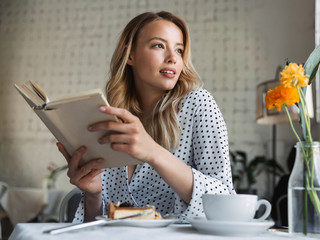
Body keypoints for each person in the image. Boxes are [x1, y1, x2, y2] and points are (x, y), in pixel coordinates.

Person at [57, 11, 235, 223]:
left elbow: (226, 202)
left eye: (179, 50)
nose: (172, 58)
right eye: (159, 45)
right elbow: (96, 227)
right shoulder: (109, 120)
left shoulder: (198, 104)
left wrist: (154, 153)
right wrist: (93, 194)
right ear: (130, 55)